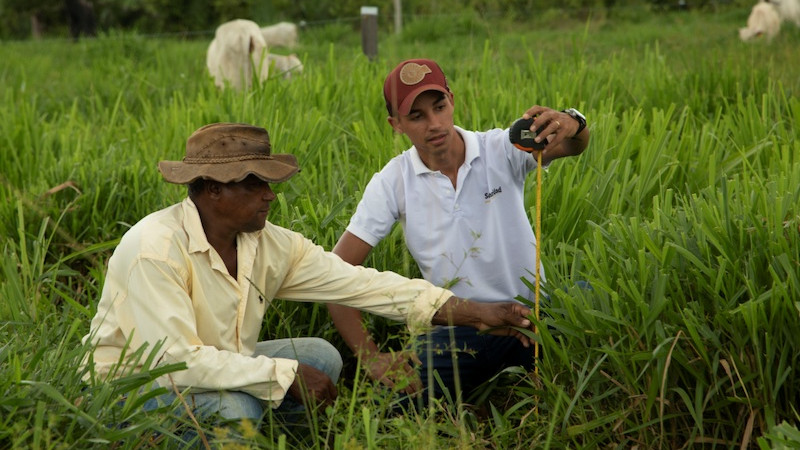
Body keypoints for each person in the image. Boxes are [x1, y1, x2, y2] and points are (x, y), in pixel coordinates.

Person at [80, 122, 535, 430]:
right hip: (133, 386)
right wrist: (283, 374)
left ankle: (268, 432)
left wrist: (472, 312)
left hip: (213, 359)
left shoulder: (266, 242)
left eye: (269, 183)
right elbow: (177, 362)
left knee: (320, 356)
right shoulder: (155, 250)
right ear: (213, 190)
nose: (269, 197)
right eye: (255, 183)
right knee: (237, 405)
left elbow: (362, 284)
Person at [327, 58, 590, 407]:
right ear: (396, 124)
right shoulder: (393, 181)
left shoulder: (501, 148)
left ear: (452, 100)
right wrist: (371, 356)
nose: (434, 124)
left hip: (534, 314)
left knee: (588, 301)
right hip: (463, 327)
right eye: (417, 116)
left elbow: (573, 145)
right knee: (389, 405)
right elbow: (335, 275)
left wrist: (573, 123)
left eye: (439, 107)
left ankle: (535, 375)